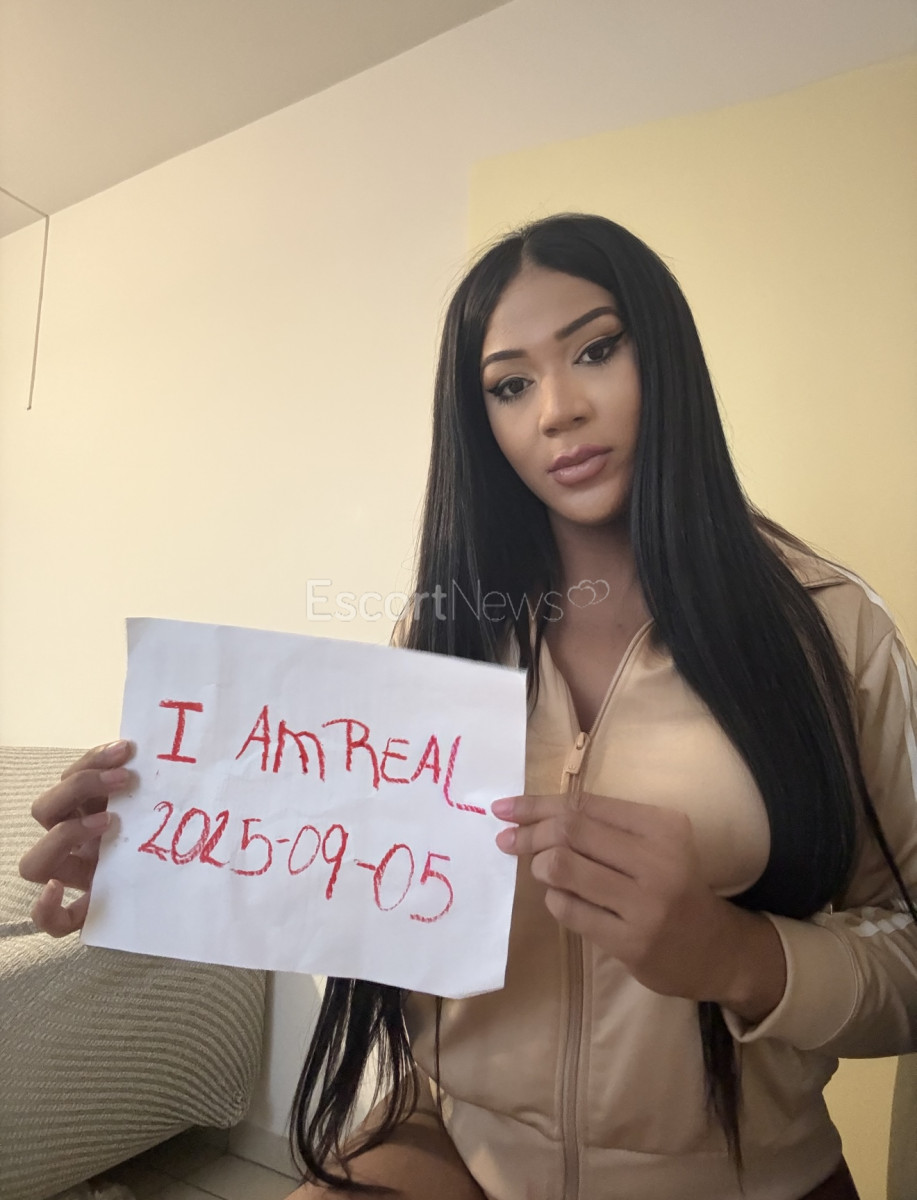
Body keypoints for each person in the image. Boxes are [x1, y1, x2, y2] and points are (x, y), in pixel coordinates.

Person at [20, 215, 917, 1200]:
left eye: (595, 350)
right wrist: (160, 863)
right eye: (509, 385)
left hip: (751, 1176)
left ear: (664, 355)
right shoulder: (443, 630)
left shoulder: (829, 628)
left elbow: (905, 951)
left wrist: (737, 956)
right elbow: (355, 884)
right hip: (455, 1146)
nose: (558, 410)